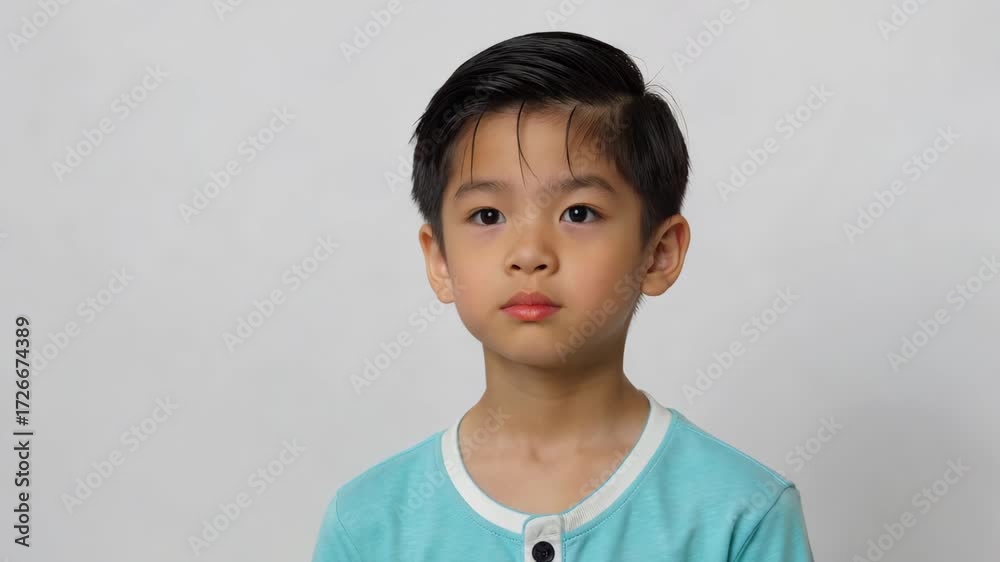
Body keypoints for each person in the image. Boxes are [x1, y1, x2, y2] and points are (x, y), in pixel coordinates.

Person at [312, 31, 814, 561]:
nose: (529, 253)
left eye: (579, 213)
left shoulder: (741, 514)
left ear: (659, 253)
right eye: (488, 215)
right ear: (439, 260)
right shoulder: (367, 524)